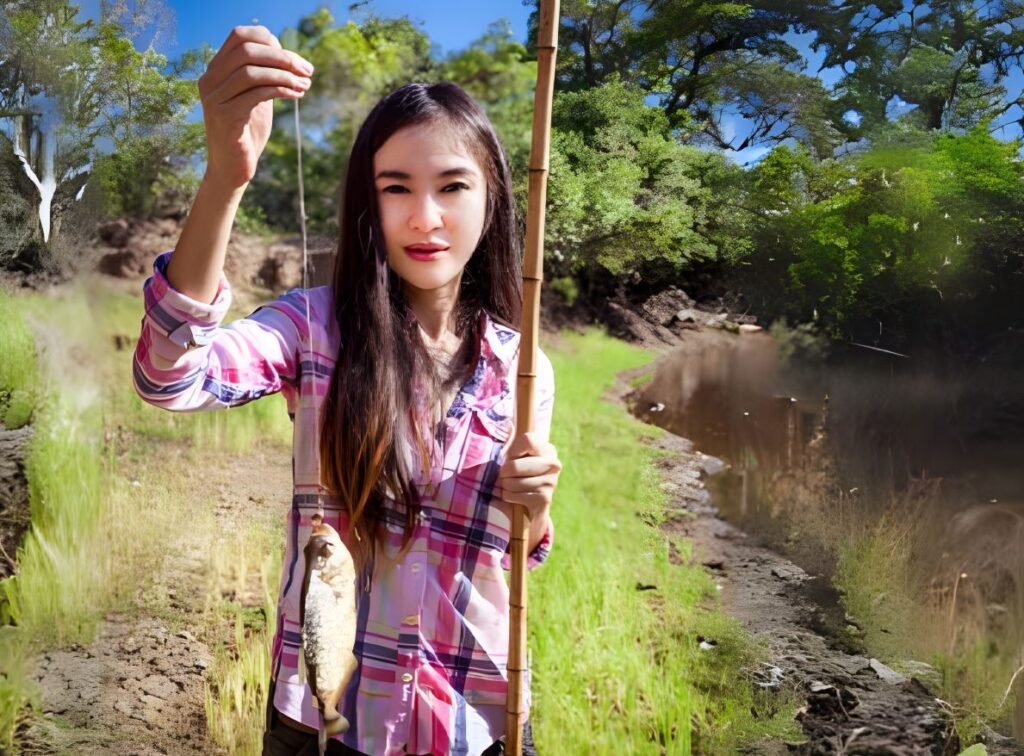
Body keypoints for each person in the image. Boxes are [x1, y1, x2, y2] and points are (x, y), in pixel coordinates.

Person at [131, 25, 560, 756]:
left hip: (473, 718)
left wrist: (538, 506)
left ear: (493, 200)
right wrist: (225, 177)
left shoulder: (523, 369)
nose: (425, 217)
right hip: (327, 716)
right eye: (397, 189)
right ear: (370, 203)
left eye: (453, 186)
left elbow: (512, 554)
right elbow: (173, 376)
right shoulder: (311, 328)